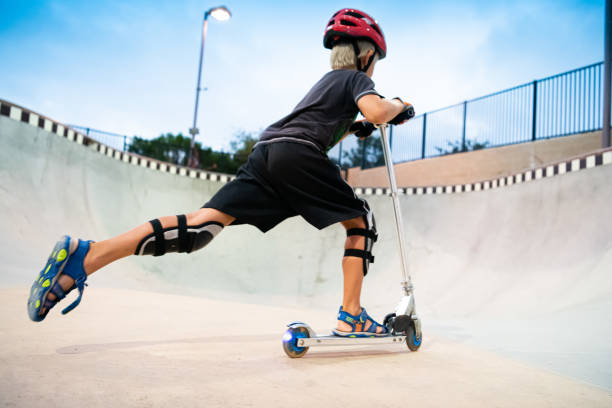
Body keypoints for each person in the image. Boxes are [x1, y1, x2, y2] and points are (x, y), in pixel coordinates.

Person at [27, 8, 414, 337]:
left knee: (199, 229)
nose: (374, 67)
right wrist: (398, 104)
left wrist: (352, 127)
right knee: (360, 220)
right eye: (376, 59)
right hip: (298, 155)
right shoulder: (358, 79)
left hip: (267, 154)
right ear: (365, 56)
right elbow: (378, 111)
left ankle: (87, 255)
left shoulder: (327, 83)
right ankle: (351, 316)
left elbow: (320, 122)